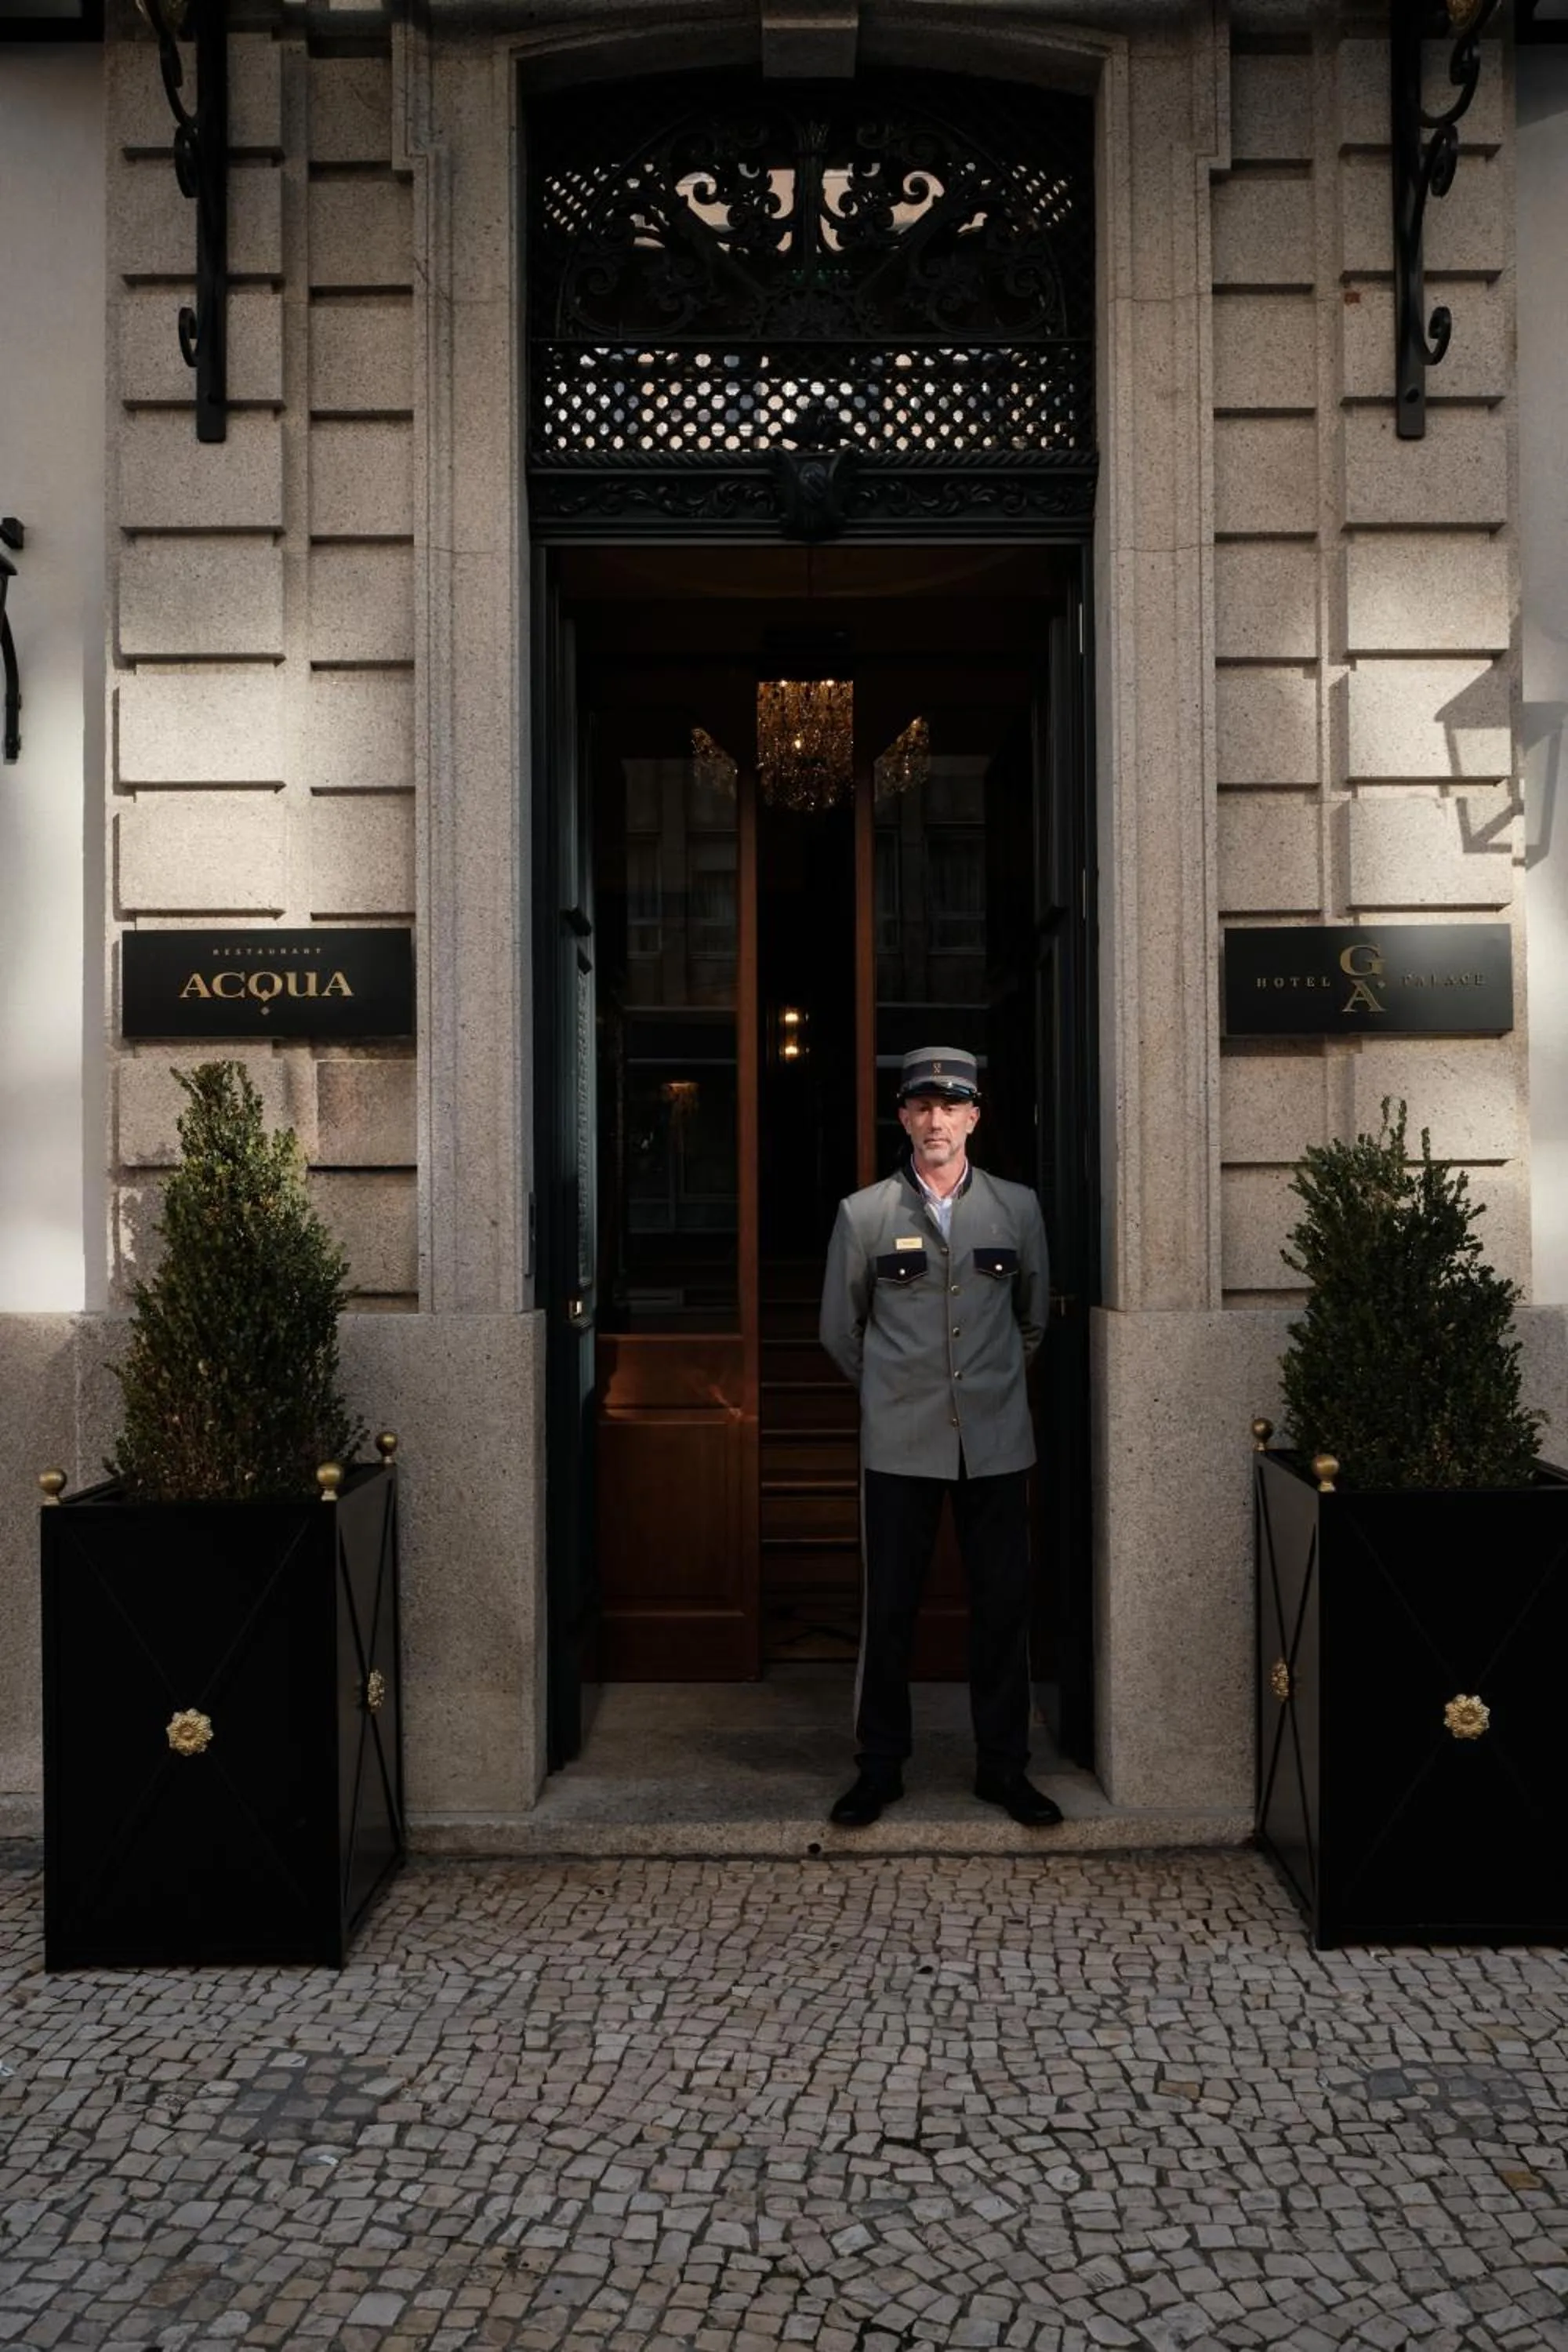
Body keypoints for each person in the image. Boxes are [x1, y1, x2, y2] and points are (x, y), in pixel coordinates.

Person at [818, 1045, 1063, 1831]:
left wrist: (985, 1386)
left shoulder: (1015, 1209)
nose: (935, 1120)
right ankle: (878, 1767)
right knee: (889, 1608)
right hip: (899, 1447)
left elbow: (1030, 1319)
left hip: (994, 1443)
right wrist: (896, 1394)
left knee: (1001, 1608)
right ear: (902, 1116)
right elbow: (838, 1329)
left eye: (950, 1106)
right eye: (920, 1106)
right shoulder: (864, 1214)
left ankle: (1003, 1767)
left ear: (973, 1117)